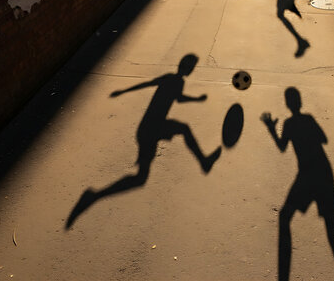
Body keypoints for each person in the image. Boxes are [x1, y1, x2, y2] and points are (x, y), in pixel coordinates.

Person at [66, 54, 221, 229]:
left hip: (150, 128)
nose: (190, 69)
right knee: (180, 132)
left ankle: (95, 196)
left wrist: (196, 99)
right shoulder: (172, 79)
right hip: (151, 129)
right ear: (184, 67)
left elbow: (175, 96)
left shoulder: (175, 80)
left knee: (142, 176)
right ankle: (95, 195)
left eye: (191, 66)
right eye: (189, 66)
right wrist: (124, 91)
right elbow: (149, 85)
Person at [261, 87, 334, 281]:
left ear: (287, 104)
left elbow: (282, 147)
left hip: (307, 175)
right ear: (300, 103)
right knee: (332, 232)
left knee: (285, 217)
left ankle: (283, 277)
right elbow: (324, 139)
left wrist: (271, 128)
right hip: (325, 173)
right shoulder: (309, 119)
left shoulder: (288, 124)